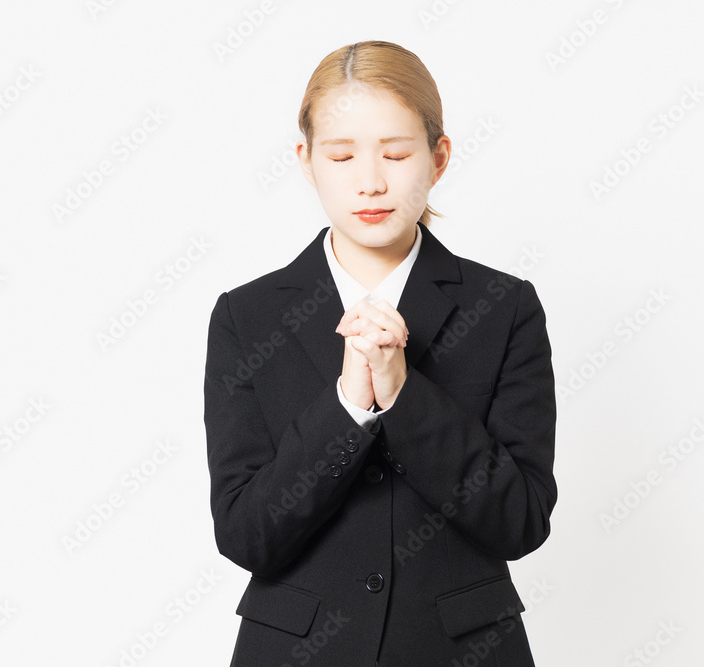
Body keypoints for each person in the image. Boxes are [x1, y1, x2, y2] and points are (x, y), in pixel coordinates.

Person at [205, 40, 557, 666]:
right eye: (341, 156)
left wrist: (403, 395)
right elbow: (246, 535)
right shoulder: (246, 316)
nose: (370, 182)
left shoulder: (505, 307)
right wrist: (347, 406)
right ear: (307, 161)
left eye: (395, 154)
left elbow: (520, 521)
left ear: (438, 157)